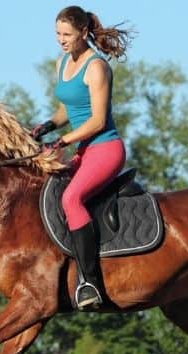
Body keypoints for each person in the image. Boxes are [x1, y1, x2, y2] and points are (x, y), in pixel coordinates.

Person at [32, 6, 132, 309]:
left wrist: (63, 139)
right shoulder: (63, 63)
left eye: (67, 35)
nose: (61, 40)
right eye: (57, 34)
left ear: (83, 33)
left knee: (71, 199)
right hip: (84, 150)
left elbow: (98, 120)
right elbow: (70, 107)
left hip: (105, 149)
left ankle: (90, 283)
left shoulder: (96, 67)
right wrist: (48, 125)